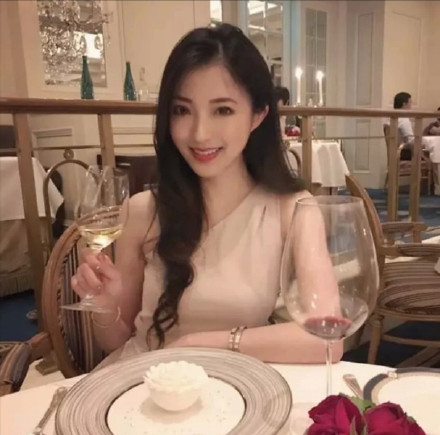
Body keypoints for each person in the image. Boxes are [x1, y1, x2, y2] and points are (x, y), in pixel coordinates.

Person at [72, 23, 342, 368]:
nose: (199, 133)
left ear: (258, 114)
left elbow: (327, 338)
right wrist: (106, 306)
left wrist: (203, 344)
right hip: (143, 381)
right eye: (182, 110)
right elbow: (115, 342)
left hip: (238, 385)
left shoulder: (293, 209)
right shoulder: (140, 212)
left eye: (223, 110)